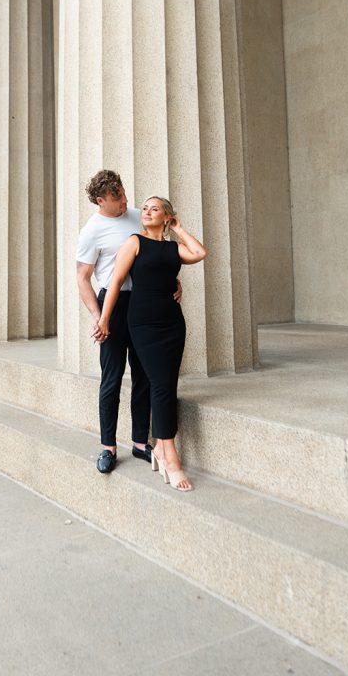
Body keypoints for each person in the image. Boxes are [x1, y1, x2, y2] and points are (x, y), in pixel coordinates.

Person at [97, 197, 206, 492]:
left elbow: (200, 253)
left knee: (168, 384)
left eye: (154, 208)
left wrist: (179, 228)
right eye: (144, 208)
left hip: (173, 323)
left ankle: (160, 447)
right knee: (159, 384)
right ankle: (170, 456)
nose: (146, 212)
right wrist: (104, 319)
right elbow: (116, 281)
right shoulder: (135, 242)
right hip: (143, 323)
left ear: (166, 216)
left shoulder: (173, 248)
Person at [76, 171, 181, 474]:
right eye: (117, 197)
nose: (125, 200)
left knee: (144, 374)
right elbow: (82, 278)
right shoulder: (91, 231)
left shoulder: (137, 216)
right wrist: (98, 316)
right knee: (111, 376)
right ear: (100, 201)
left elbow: (157, 254)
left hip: (145, 305)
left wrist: (173, 281)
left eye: (123, 193)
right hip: (112, 304)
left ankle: (139, 442)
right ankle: (108, 446)